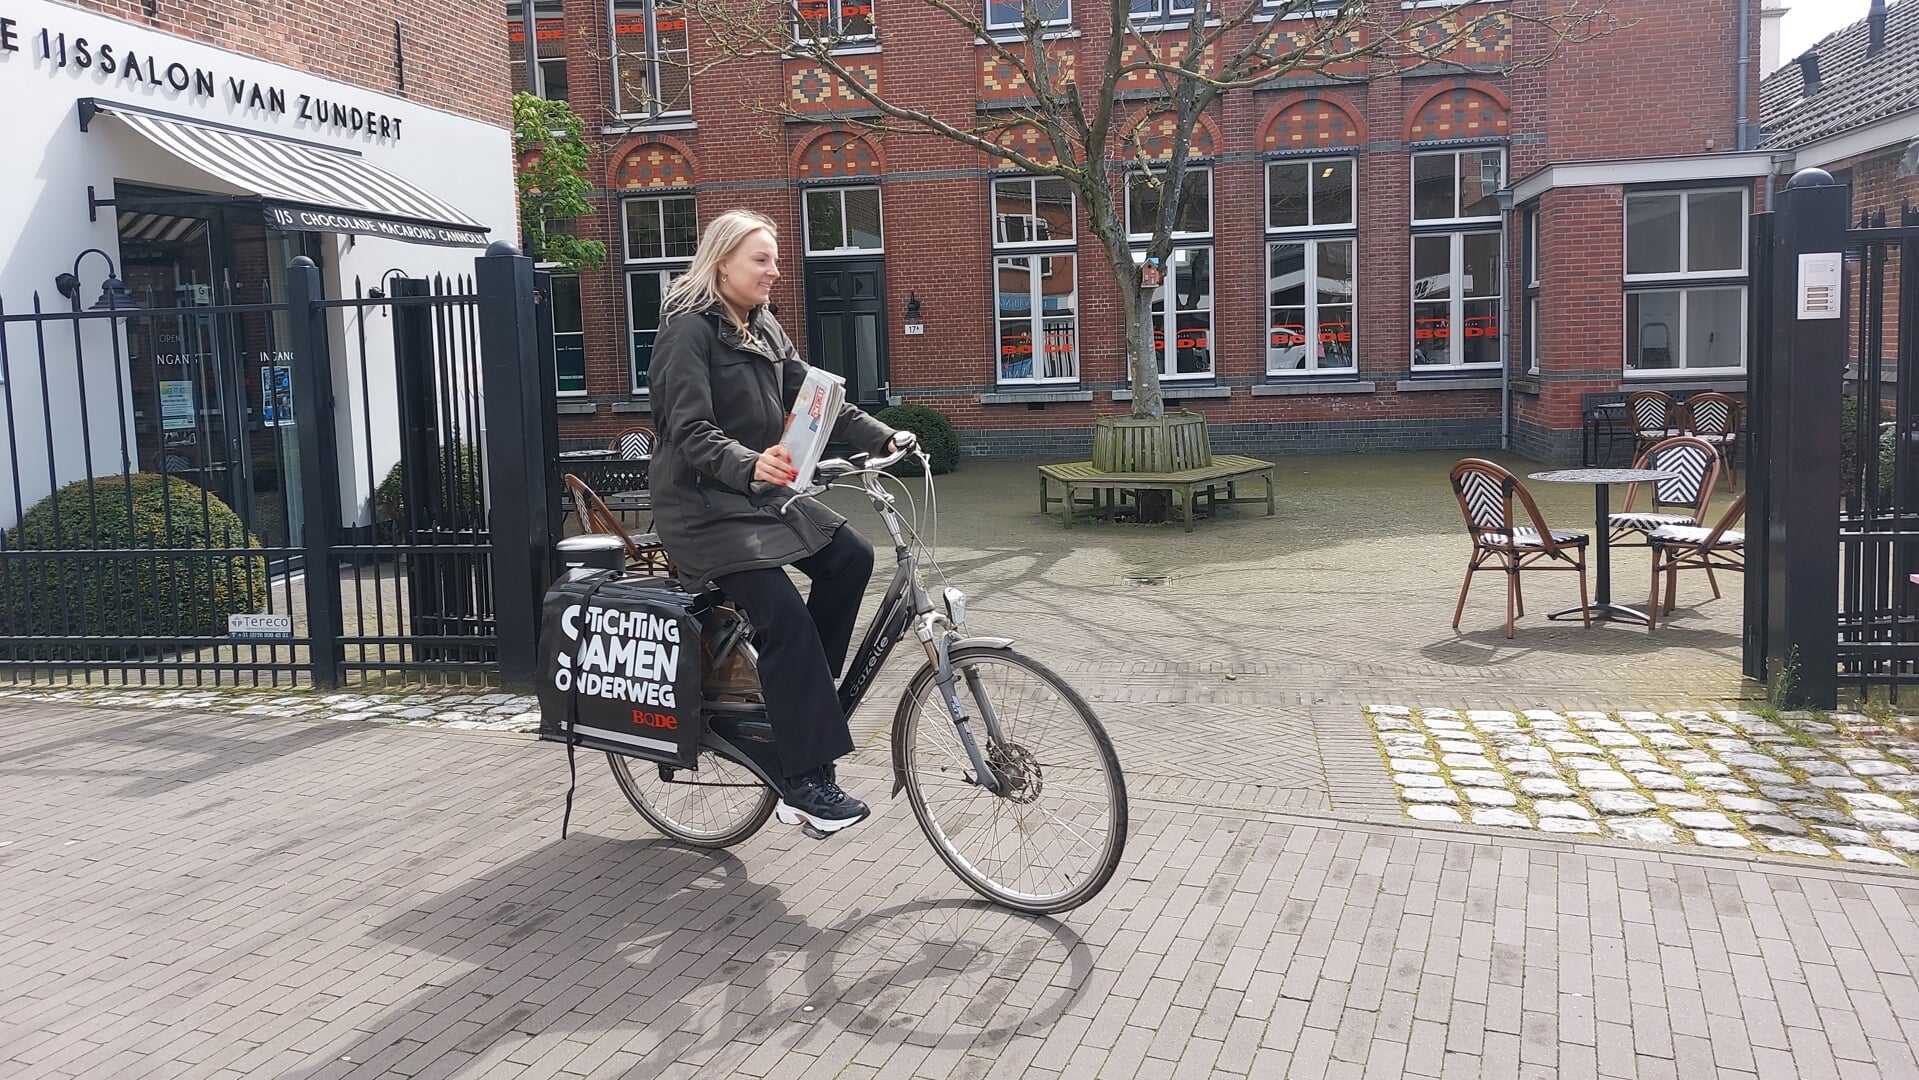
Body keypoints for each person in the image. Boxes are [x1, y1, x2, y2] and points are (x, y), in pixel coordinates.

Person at [647, 208, 912, 835]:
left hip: (758, 494)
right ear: (722, 265)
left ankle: (793, 707)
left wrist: (887, 436)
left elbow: (818, 401)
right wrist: (749, 464)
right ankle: (801, 779)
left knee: (851, 558)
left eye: (773, 257)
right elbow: (688, 432)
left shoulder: (763, 327)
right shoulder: (688, 331)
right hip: (703, 506)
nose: (774, 270)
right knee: (786, 616)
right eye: (760, 259)